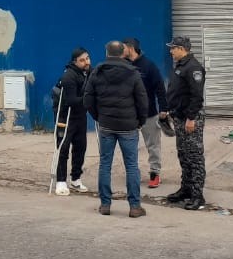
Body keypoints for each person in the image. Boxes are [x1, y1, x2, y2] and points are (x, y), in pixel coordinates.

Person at [83, 40, 149, 217]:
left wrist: (98, 116)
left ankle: (105, 205)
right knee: (132, 166)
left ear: (107, 53)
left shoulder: (97, 72)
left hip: (106, 125)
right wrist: (140, 121)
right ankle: (134, 206)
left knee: (105, 164)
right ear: (123, 53)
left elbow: (88, 98)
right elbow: (142, 100)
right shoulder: (133, 73)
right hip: (128, 126)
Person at [164, 36, 207, 210]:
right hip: (180, 117)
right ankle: (186, 189)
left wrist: (191, 118)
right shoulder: (181, 66)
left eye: (173, 48)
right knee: (184, 154)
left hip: (190, 119)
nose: (170, 51)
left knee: (194, 157)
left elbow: (197, 96)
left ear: (181, 49)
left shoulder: (193, 67)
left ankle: (197, 195)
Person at [123, 37, 168, 189]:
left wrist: (163, 109)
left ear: (130, 48)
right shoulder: (123, 65)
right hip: (130, 115)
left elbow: (160, 88)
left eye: (123, 47)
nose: (122, 50)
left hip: (149, 114)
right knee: (129, 146)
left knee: (153, 145)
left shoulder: (149, 66)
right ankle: (133, 173)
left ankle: (155, 173)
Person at [52, 47, 91, 196]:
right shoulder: (69, 76)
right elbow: (72, 101)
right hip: (65, 116)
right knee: (63, 148)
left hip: (80, 116)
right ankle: (61, 181)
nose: (86, 62)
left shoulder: (87, 72)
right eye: (82, 60)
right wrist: (89, 99)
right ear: (75, 62)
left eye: (87, 58)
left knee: (80, 148)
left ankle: (75, 179)